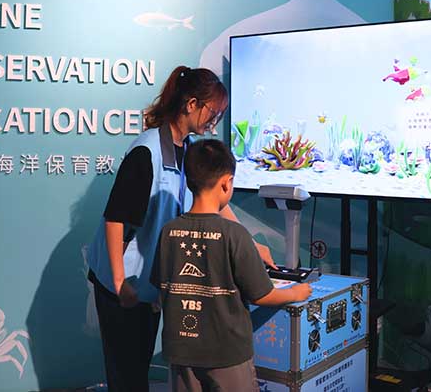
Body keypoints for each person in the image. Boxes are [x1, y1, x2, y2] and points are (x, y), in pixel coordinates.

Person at [86, 66, 276, 392]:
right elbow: (115, 219)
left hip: (144, 283)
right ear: (191, 104)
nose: (214, 122)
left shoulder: (187, 148)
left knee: (137, 368)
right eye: (213, 113)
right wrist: (119, 283)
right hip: (122, 280)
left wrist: (251, 243)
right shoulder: (146, 151)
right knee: (127, 377)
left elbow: (213, 198)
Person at [151, 139, 313, 392]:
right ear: (226, 183)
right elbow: (262, 295)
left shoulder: (168, 231)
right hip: (226, 354)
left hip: (181, 351)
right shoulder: (235, 234)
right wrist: (295, 292)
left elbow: (160, 286)